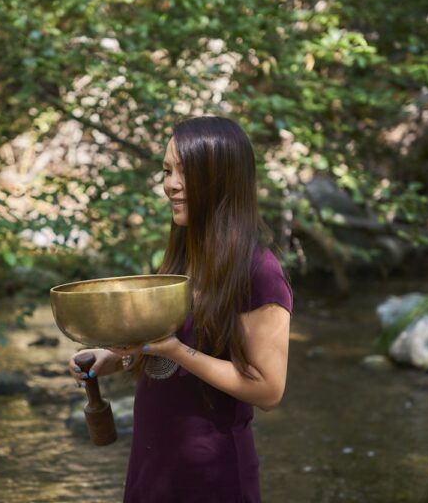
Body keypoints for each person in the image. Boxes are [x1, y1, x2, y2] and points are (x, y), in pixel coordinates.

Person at [68, 116, 293, 503]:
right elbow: (166, 346)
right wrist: (115, 357)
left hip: (212, 477)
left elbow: (269, 390)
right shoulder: (185, 256)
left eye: (185, 172)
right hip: (154, 468)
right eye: (167, 170)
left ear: (221, 178)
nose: (170, 184)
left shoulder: (260, 271)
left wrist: (175, 351)